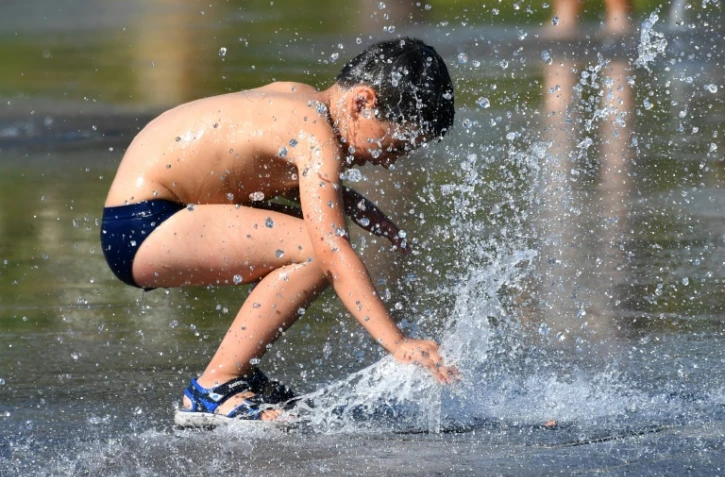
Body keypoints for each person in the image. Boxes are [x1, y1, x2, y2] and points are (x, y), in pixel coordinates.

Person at [100, 37, 458, 426]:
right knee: (315, 249)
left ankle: (240, 374)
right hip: (142, 227)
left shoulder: (301, 100)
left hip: (162, 213)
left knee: (308, 240)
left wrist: (350, 202)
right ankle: (214, 386)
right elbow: (332, 250)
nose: (388, 163)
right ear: (362, 102)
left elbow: (246, 167)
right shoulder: (314, 130)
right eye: (393, 145)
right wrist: (397, 342)